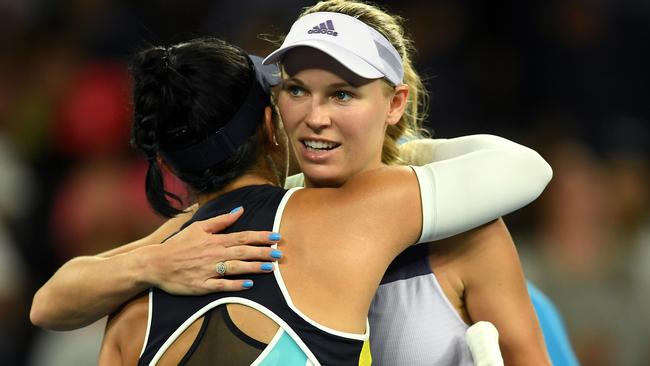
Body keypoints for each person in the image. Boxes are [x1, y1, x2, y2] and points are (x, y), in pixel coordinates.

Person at [31, 1, 555, 364]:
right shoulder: (220, 240)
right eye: (297, 90)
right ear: (270, 114)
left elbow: (531, 169)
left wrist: (409, 158)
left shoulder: (467, 231)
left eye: (343, 94)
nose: (315, 117)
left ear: (395, 103)